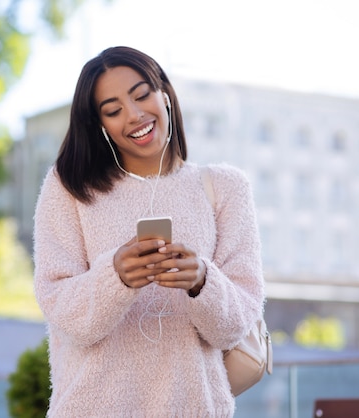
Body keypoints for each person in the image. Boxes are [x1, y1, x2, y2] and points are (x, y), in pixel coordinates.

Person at [33, 46, 265, 417]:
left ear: (165, 94)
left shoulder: (225, 188)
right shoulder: (70, 187)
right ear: (100, 124)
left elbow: (235, 327)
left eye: (142, 95)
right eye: (113, 110)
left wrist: (202, 281)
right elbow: (59, 307)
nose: (135, 115)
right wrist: (115, 277)